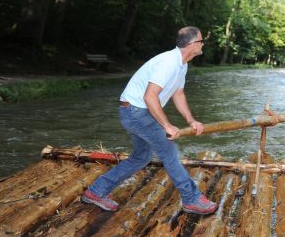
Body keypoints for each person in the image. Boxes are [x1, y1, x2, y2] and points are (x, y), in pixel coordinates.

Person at [81, 26, 217, 215]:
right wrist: (167, 126)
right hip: (136, 112)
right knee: (170, 153)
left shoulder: (182, 64)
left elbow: (178, 94)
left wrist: (191, 120)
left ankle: (96, 192)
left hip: (134, 111)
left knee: (141, 157)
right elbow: (150, 96)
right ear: (192, 44)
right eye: (202, 41)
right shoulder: (169, 62)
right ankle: (192, 199)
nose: (204, 44)